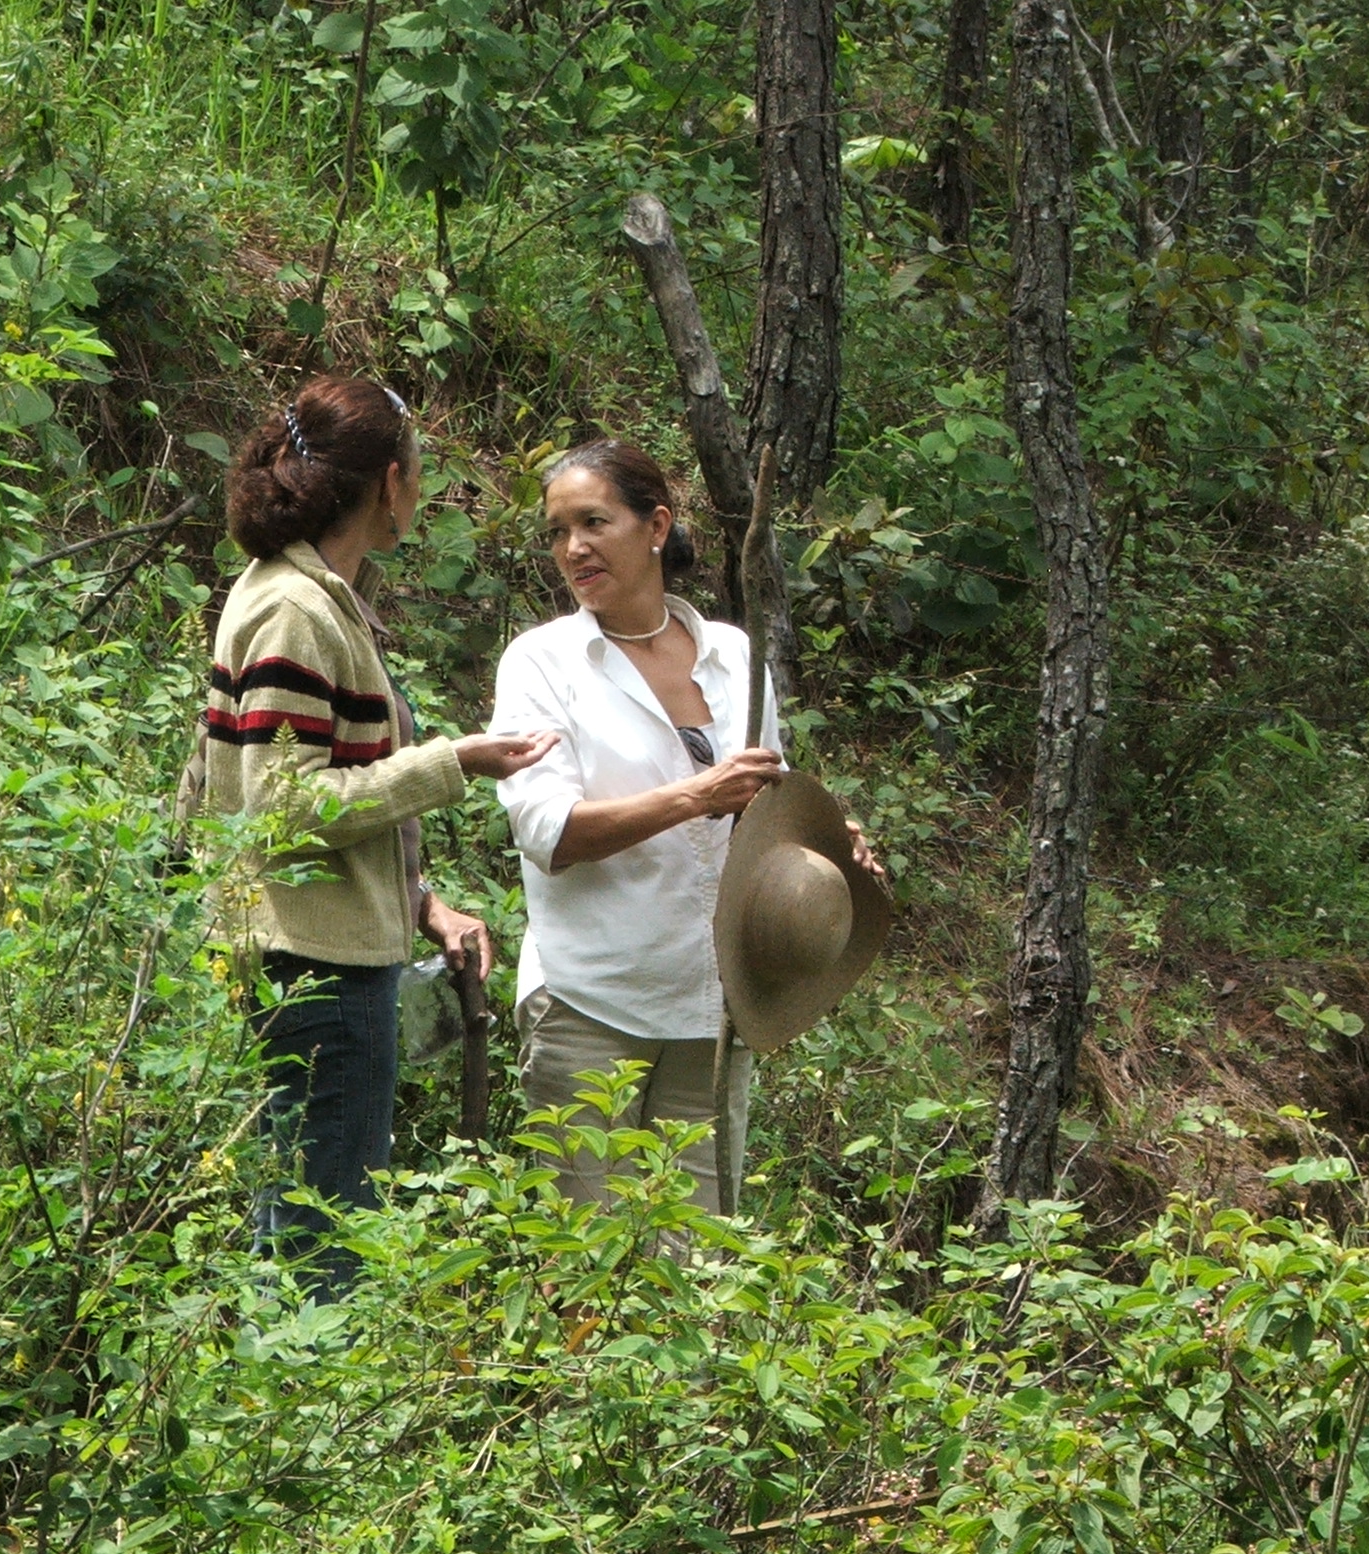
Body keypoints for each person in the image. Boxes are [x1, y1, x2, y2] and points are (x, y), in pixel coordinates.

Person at [207, 375, 557, 1286]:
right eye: (419, 472)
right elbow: (285, 805)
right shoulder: (293, 607)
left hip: (327, 945)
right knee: (321, 1232)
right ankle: (302, 1399)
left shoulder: (313, 594)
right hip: (312, 963)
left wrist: (422, 904)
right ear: (389, 484)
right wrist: (455, 762)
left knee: (307, 1206)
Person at [490, 438, 877, 1214]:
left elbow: (761, 809)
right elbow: (550, 832)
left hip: (714, 1005)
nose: (573, 549)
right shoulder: (544, 665)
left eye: (594, 523)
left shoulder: (734, 657)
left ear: (657, 526)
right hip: (591, 1000)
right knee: (585, 1256)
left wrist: (833, 840)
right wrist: (697, 795)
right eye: (557, 531)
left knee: (697, 1264)